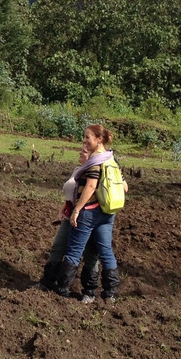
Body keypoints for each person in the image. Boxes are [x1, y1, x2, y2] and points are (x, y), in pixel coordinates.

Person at [57, 124, 122, 302]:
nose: (85, 141)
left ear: (98, 140)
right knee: (105, 251)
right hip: (108, 213)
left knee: (74, 251)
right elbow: (123, 187)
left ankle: (62, 289)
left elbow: (91, 186)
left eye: (88, 137)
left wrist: (77, 209)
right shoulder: (112, 160)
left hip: (89, 213)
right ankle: (110, 292)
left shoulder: (96, 160)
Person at [31, 144, 100, 293]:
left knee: (89, 254)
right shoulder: (78, 170)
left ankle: (89, 290)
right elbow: (72, 193)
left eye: (85, 150)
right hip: (70, 215)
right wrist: (63, 209)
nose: (81, 151)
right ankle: (48, 281)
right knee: (58, 247)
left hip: (87, 218)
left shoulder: (95, 172)